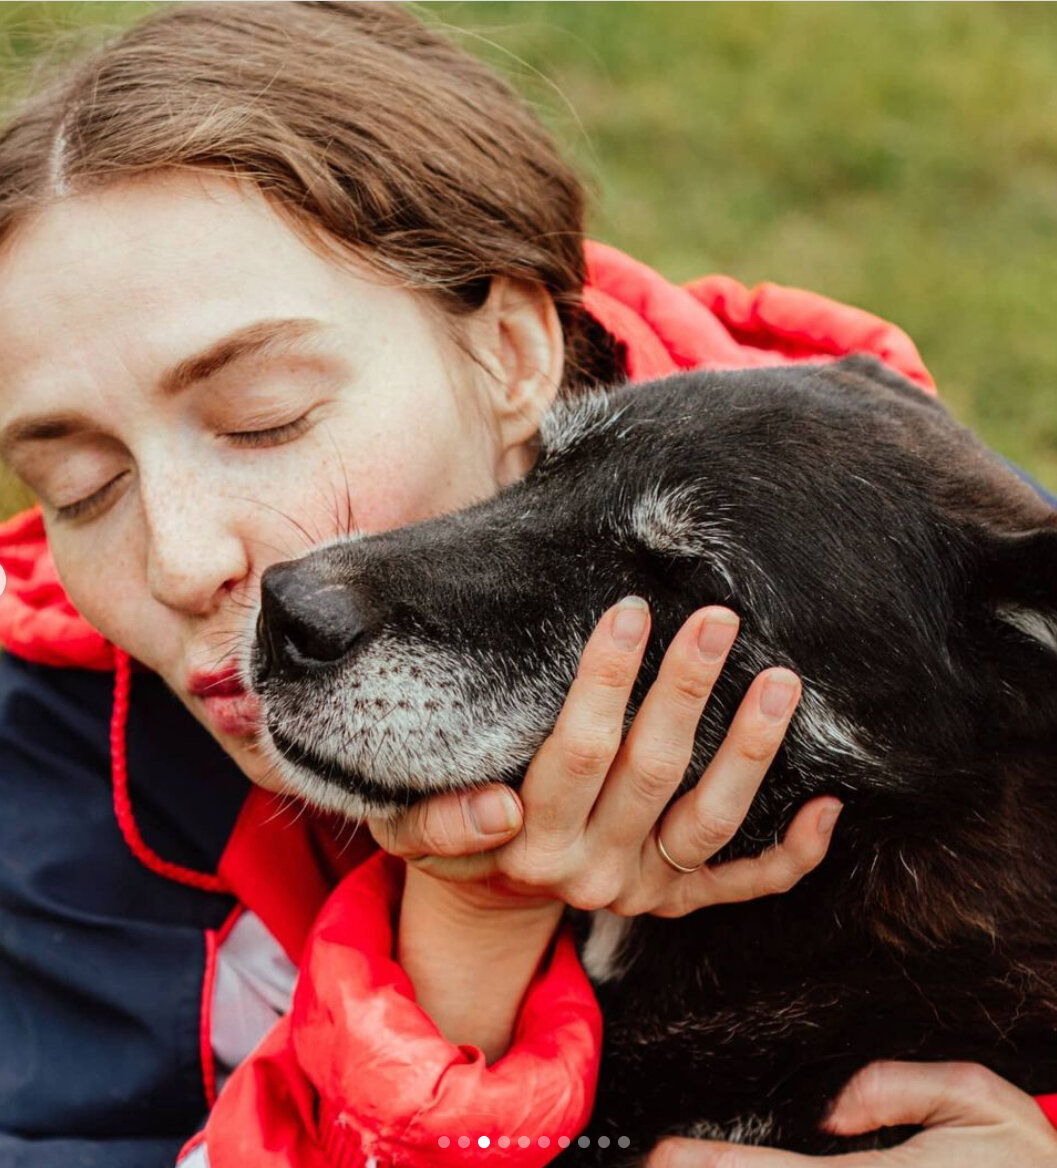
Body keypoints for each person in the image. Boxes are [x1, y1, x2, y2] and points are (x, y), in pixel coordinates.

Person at [0, 4, 1053, 1166]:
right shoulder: (43, 795)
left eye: (266, 418)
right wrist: (470, 924)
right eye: (81, 484)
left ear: (512, 352)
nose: (184, 559)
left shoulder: (932, 563)